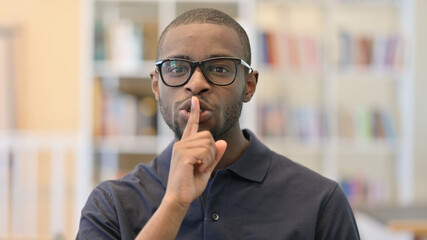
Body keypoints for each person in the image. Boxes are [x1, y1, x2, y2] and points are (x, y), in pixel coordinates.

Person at [77, 8, 360, 240]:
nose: (196, 84)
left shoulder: (320, 201)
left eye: (219, 68)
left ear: (249, 86)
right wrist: (174, 203)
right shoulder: (111, 204)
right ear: (156, 86)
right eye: (177, 68)